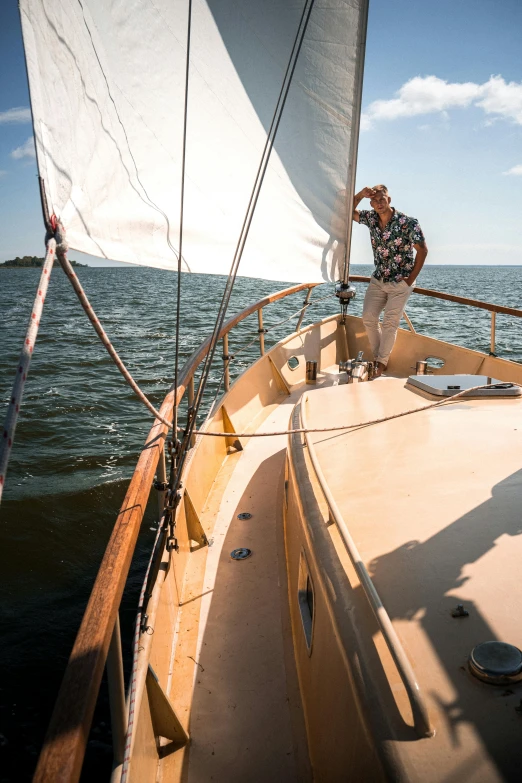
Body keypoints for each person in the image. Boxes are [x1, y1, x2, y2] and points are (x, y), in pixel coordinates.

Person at [353, 185, 428, 377]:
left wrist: (410, 280)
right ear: (371, 202)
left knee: (390, 322)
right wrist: (361, 194)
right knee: (369, 317)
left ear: (389, 200)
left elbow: (423, 250)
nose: (379, 203)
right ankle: (380, 357)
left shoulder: (407, 222)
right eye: (375, 200)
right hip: (378, 279)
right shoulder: (370, 218)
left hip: (400, 282)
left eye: (382, 199)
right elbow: (347, 212)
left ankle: (380, 363)